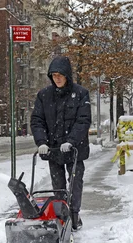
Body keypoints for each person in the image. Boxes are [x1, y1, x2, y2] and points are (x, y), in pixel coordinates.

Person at [30, 55, 92, 231]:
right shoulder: (44, 96)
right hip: (54, 149)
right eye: (54, 75)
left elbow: (83, 120)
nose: (57, 78)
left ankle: (74, 214)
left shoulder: (81, 94)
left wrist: (71, 141)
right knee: (58, 186)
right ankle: (61, 215)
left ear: (67, 75)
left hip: (74, 149)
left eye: (60, 75)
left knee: (75, 182)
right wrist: (41, 142)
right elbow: (37, 120)